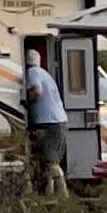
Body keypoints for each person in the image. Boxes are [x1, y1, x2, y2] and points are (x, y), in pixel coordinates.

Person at [24, 38, 70, 180]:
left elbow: (37, 92)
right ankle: (51, 191)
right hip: (59, 121)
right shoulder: (45, 73)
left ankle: (62, 192)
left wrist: (25, 99)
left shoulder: (33, 72)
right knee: (49, 160)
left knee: (50, 161)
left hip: (48, 122)